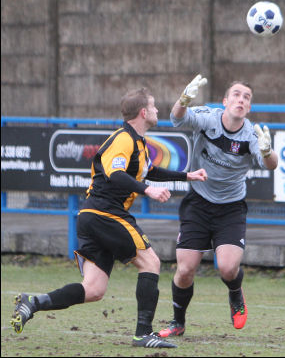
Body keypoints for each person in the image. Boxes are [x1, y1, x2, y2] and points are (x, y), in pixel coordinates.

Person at [10, 88, 208, 349]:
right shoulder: (123, 139)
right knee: (151, 262)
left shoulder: (138, 143)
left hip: (93, 217)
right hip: (106, 214)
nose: (158, 110)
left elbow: (150, 171)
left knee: (93, 289)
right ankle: (143, 333)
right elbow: (115, 174)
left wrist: (187, 176)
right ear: (143, 112)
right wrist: (148, 190)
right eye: (154, 106)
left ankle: (32, 302)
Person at [158, 75, 278, 338]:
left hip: (230, 208)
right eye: (236, 94)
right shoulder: (208, 118)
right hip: (198, 203)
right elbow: (176, 118)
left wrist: (268, 151)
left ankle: (236, 292)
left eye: (246, 97)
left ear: (249, 108)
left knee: (227, 268)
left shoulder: (251, 134)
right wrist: (183, 100)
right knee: (186, 269)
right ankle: (178, 322)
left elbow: (272, 165)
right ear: (225, 101)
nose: (241, 100)